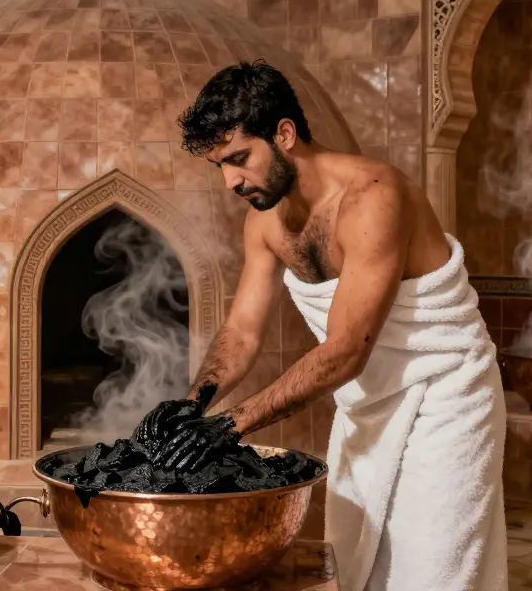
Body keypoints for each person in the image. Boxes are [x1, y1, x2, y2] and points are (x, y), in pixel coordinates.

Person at [142, 61, 508, 591]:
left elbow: (344, 351)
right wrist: (195, 402)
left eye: (239, 159)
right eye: (220, 166)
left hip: (446, 393)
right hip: (364, 402)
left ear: (285, 134)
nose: (231, 182)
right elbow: (243, 330)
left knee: (432, 566)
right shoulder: (264, 221)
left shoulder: (374, 198)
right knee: (358, 566)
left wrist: (228, 426)